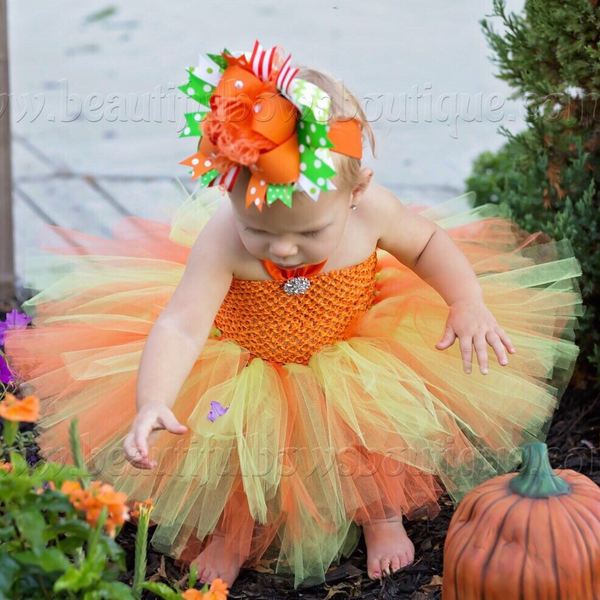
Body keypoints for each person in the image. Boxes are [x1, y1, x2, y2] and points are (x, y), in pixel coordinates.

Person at [4, 41, 583, 590]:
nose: (282, 250)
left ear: (357, 191)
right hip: (245, 360)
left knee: (372, 428)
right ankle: (229, 533)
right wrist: (152, 397)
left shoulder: (371, 213)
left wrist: (466, 301)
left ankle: (381, 515)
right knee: (224, 440)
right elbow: (181, 323)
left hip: (352, 348)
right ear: (230, 196)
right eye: (260, 230)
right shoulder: (224, 240)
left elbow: (428, 244)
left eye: (308, 233)